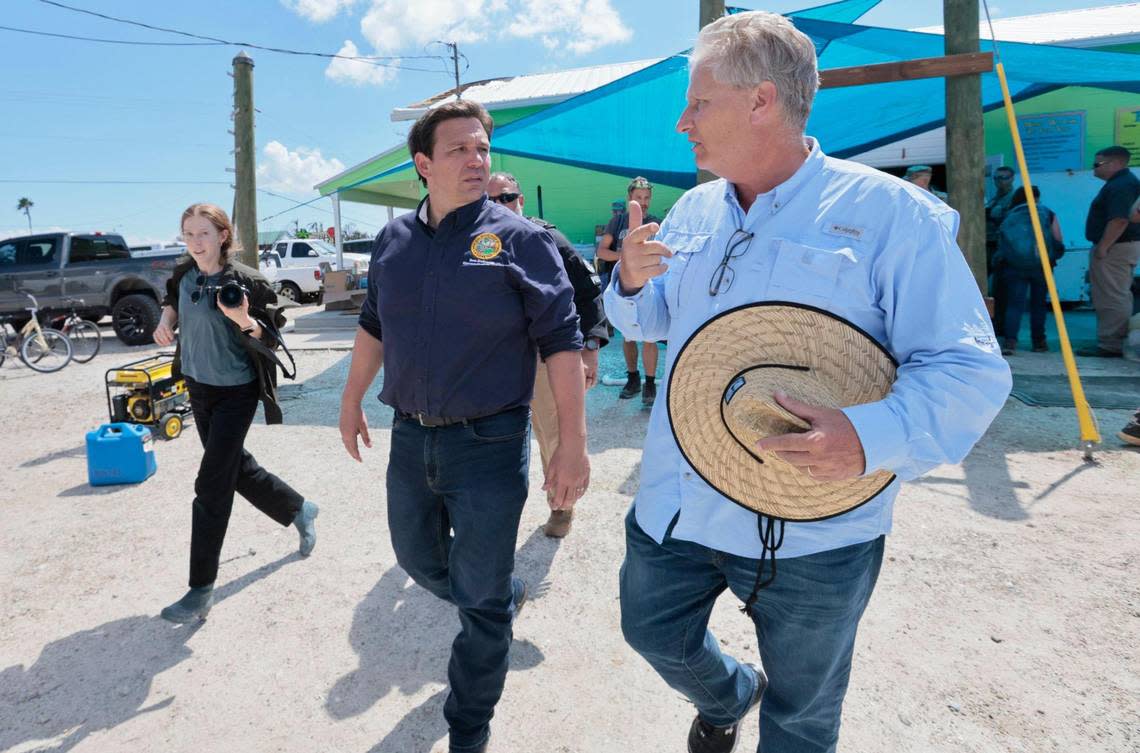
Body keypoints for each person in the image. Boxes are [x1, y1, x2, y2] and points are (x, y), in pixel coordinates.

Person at [605, 12, 1011, 753]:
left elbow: (968, 368)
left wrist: (871, 434)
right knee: (650, 629)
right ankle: (728, 692)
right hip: (679, 501)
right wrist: (629, 281)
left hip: (818, 533)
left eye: (698, 104)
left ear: (761, 101)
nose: (681, 123)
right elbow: (647, 320)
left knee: (803, 716)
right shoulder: (695, 208)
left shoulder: (892, 215)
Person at [337, 100, 589, 753]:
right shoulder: (393, 241)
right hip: (410, 437)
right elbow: (372, 326)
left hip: (491, 445)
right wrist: (351, 396)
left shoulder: (520, 239)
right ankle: (495, 593)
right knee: (417, 557)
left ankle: (468, 724)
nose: (478, 160)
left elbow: (562, 345)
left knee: (476, 606)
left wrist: (572, 447)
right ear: (423, 164)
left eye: (482, 149)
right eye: (460, 150)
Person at [153, 203, 316, 624]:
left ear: (223, 235)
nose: (195, 242)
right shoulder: (182, 274)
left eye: (203, 233)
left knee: (211, 484)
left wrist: (244, 319)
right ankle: (299, 508)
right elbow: (173, 299)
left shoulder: (246, 281)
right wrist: (165, 320)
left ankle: (199, 590)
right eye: (188, 234)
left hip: (236, 392)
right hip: (198, 387)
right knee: (234, 468)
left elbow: (271, 338)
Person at [487, 171, 608, 538]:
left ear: (521, 200)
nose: (500, 206)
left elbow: (588, 292)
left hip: (545, 356)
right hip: (496, 358)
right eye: (490, 201)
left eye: (506, 197)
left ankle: (562, 505)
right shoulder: (476, 243)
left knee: (554, 433)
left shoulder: (546, 237)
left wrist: (590, 347)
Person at [596, 176, 663, 405]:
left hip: (648, 285)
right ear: (629, 199)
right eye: (638, 197)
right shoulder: (618, 222)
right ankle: (633, 378)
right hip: (622, 286)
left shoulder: (655, 223)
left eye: (646, 198)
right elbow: (602, 252)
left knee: (650, 335)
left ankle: (651, 384)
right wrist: (627, 258)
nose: (643, 202)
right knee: (628, 334)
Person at [1080, 146, 1140, 357]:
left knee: (1111, 296)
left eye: (1097, 164)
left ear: (1114, 164)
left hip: (1115, 248)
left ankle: (1110, 344)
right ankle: (1111, 340)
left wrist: (1103, 247)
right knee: (1114, 294)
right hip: (1120, 246)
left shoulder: (1121, 186)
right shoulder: (1122, 184)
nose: (1093, 168)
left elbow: (1119, 219)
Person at [994, 185, 1065, 355]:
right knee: (1038, 304)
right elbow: (1058, 238)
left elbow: (1002, 241)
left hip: (1014, 265)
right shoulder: (1047, 213)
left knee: (1014, 304)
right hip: (1041, 266)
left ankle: (1010, 342)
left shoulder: (1010, 214)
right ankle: (1039, 342)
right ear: (1037, 198)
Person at [986, 166, 1017, 336]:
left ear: (1012, 179)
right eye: (997, 178)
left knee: (1002, 290)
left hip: (1003, 248)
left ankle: (1002, 327)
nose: (1000, 181)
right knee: (992, 289)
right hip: (990, 246)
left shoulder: (1014, 198)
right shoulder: (995, 198)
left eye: (1004, 178)